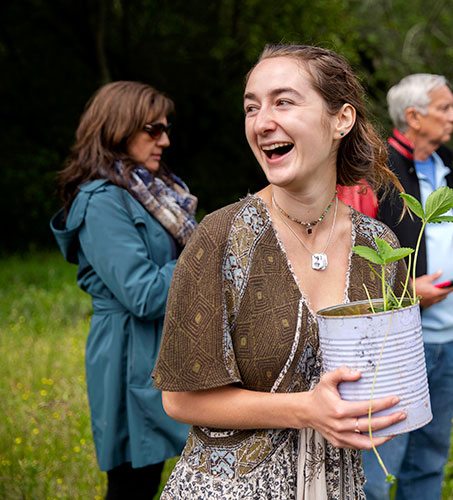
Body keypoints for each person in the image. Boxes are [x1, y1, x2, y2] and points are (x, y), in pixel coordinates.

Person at [151, 44, 408, 499]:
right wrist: (305, 409)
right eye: (252, 107)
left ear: (341, 120)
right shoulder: (221, 237)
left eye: (283, 101)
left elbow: (382, 378)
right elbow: (179, 398)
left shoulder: (380, 245)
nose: (262, 121)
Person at [50, 81, 196, 499]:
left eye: (165, 130)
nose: (164, 141)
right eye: (153, 129)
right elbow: (145, 294)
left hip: (160, 350)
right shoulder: (102, 201)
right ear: (118, 128)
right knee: (133, 483)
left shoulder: (146, 192)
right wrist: (203, 254)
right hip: (128, 355)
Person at [362, 73, 453, 500]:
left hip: (450, 336)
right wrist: (406, 290)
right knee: (379, 463)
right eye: (445, 108)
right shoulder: (377, 170)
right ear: (413, 117)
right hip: (404, 340)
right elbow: (355, 254)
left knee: (431, 457)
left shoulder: (445, 166)